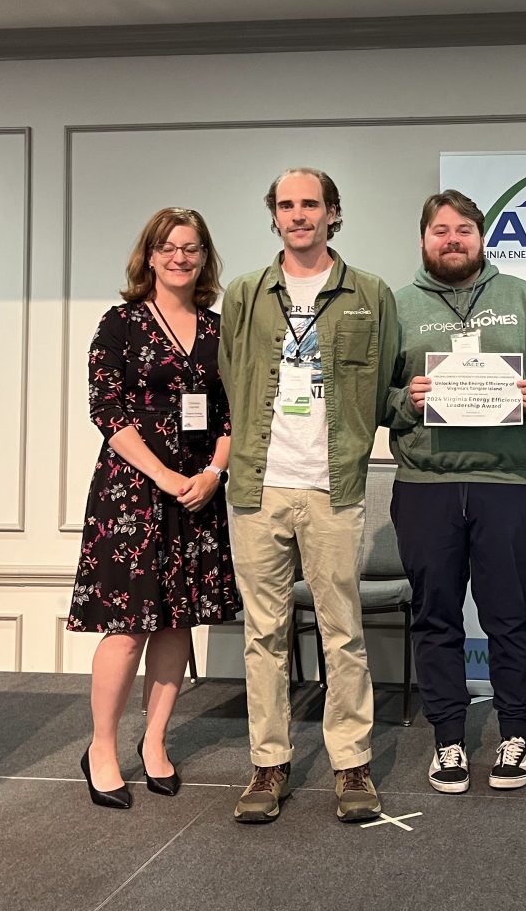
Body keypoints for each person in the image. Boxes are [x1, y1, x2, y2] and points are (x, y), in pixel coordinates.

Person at [218, 168, 401, 824]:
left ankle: (351, 763)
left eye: (311, 204)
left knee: (341, 632)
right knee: (262, 635)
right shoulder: (244, 294)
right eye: (287, 205)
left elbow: (385, 383)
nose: (298, 215)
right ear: (274, 215)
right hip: (257, 487)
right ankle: (269, 763)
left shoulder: (370, 294)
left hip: (335, 487)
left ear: (332, 213)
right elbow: (230, 378)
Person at [388, 190, 526, 794]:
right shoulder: (397, 306)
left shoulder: (522, 298)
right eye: (440, 230)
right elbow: (369, 395)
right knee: (435, 616)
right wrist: (405, 400)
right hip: (425, 485)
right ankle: (448, 738)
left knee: (508, 615)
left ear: (482, 236)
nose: (452, 240)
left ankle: (515, 734)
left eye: (464, 230)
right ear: (424, 239)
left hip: (505, 483)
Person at [68, 207, 241, 810]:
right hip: (132, 492)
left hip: (198, 491)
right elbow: (106, 410)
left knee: (176, 622)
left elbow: (233, 413)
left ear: (205, 258)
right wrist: (165, 475)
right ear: (149, 256)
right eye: (167, 247)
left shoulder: (220, 330)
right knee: (127, 628)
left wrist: (213, 473)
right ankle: (101, 748)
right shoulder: (120, 323)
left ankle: (155, 741)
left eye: (191, 248)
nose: (179, 258)